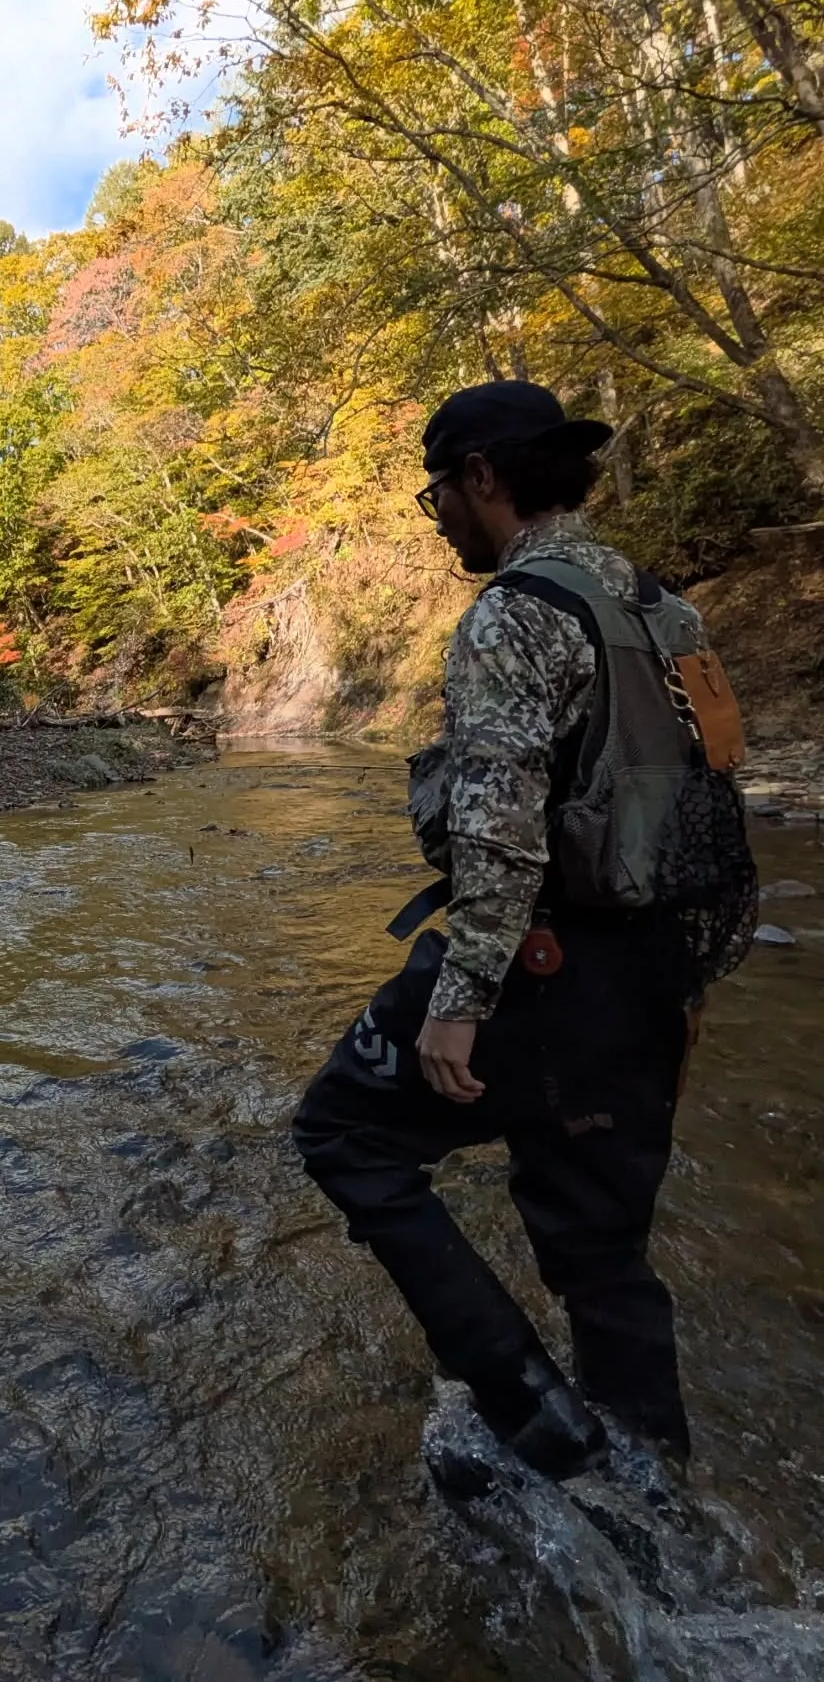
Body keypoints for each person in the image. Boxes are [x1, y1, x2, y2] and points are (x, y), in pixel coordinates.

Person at [293, 380, 755, 1483]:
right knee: (605, 1260)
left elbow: (496, 830)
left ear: (485, 478)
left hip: (542, 969)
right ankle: (653, 1500)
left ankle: (528, 1414)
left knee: (345, 1132)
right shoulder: (668, 610)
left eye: (437, 492)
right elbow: (717, 804)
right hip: (652, 975)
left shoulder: (514, 614)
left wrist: (461, 1003)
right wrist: (692, 982)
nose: (440, 514)